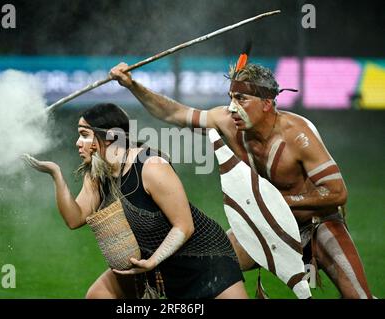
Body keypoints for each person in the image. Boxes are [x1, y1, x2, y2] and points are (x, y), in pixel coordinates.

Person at [109, 62, 373, 299]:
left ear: (267, 103)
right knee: (207, 267)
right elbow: (173, 114)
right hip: (263, 226)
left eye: (241, 98)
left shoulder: (298, 135)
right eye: (231, 97)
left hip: (317, 225)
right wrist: (132, 85)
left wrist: (276, 202)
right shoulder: (226, 121)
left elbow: (337, 193)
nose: (232, 106)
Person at [23, 103, 247, 299]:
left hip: (204, 259)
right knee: (98, 295)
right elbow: (74, 219)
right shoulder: (97, 174)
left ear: (109, 136)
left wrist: (153, 261)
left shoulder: (151, 166)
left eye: (84, 134)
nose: (78, 143)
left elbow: (184, 226)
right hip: (156, 265)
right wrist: (56, 175)